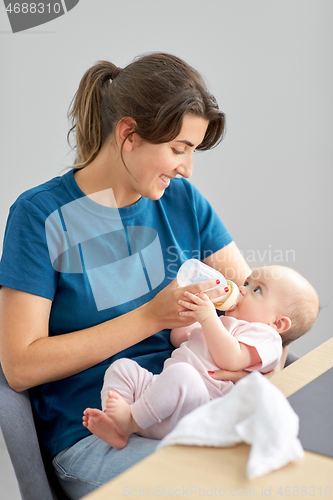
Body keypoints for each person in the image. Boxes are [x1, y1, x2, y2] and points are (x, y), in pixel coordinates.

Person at [0, 52, 262, 499]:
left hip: (188, 408)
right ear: (128, 134)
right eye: (179, 149)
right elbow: (20, 365)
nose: (186, 168)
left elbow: (254, 301)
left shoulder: (182, 201)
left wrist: (247, 358)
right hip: (97, 434)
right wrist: (151, 317)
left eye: (192, 152)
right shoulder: (39, 215)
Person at [82, 265, 319, 449]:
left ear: (278, 323)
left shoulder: (265, 338)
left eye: (257, 290)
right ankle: (116, 426)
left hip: (195, 408)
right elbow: (180, 338)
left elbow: (232, 360)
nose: (242, 289)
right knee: (122, 368)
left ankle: (130, 421)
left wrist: (208, 319)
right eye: (247, 282)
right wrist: (189, 313)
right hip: (161, 396)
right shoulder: (222, 322)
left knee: (182, 373)